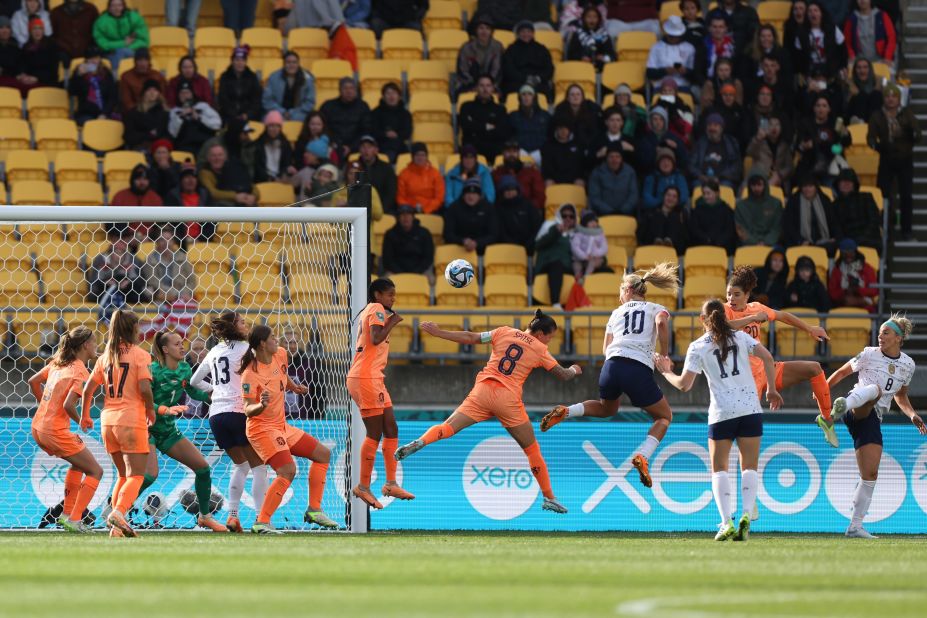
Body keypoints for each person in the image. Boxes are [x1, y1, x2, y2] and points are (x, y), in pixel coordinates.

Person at [395, 310, 581, 515]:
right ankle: (549, 497)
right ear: (540, 334)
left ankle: (422, 441)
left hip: (482, 390)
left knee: (448, 426)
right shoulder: (539, 348)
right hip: (507, 398)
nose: (549, 342)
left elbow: (470, 337)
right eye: (550, 337)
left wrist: (439, 333)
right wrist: (573, 369)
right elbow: (563, 375)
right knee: (532, 450)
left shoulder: (503, 331)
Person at [541, 264, 680, 488]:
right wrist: (663, 355)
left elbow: (606, 349)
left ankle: (567, 411)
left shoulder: (616, 313)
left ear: (628, 291)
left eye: (620, 292)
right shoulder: (656, 308)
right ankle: (643, 456)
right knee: (664, 417)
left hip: (611, 366)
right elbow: (662, 323)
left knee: (607, 408)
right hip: (637, 368)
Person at [658, 299, 782, 541]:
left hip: (722, 413)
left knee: (720, 470)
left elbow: (684, 385)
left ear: (702, 320)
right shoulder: (740, 337)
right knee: (749, 467)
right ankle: (747, 514)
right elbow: (768, 358)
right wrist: (771, 389)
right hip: (750, 409)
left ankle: (727, 522)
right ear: (724, 316)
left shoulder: (698, 346)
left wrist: (665, 371)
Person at [825, 315, 924, 538]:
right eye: (879, 332)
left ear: (898, 338)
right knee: (875, 390)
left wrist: (911, 414)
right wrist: (823, 390)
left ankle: (855, 526)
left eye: (885, 333)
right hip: (856, 408)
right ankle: (840, 407)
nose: (880, 336)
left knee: (870, 474)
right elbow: (842, 372)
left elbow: (901, 396)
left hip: (873, 417)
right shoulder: (869, 353)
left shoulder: (908, 364)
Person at [238, 325, 338, 533]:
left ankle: (314, 510)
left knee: (323, 454)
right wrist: (261, 405)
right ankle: (262, 522)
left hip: (281, 426)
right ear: (263, 344)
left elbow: (282, 376)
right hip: (261, 429)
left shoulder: (281, 355)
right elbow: (247, 409)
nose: (278, 341)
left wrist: (294, 387)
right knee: (287, 470)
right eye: (273, 338)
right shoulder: (250, 374)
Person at [723, 266, 836, 445]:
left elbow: (783, 315)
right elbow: (725, 326)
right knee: (744, 435)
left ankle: (826, 419)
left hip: (767, 372)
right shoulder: (724, 310)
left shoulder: (757, 308)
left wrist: (810, 328)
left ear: (747, 295)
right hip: (743, 382)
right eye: (728, 294)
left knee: (814, 368)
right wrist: (752, 319)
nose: (731, 299)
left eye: (736, 294)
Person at [189, 312, 268, 532]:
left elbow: (195, 381)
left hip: (216, 415)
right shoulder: (246, 349)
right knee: (259, 467)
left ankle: (233, 515)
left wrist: (213, 389)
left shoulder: (214, 350)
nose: (246, 325)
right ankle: (262, 520)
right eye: (242, 322)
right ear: (234, 326)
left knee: (241, 465)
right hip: (239, 411)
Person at [80, 309, 155, 538]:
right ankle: (119, 512)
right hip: (131, 418)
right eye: (138, 326)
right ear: (132, 329)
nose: (140, 330)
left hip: (108, 421)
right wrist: (150, 409)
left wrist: (85, 415)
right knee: (136, 475)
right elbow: (144, 388)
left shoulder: (105, 358)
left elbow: (88, 389)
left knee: (122, 475)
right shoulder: (140, 355)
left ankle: (115, 528)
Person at [141, 331, 226, 532]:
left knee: (203, 469)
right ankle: (118, 509)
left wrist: (214, 396)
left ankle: (205, 517)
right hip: (147, 430)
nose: (182, 347)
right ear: (165, 349)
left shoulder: (185, 369)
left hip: (168, 431)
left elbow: (193, 392)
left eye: (182, 343)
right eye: (177, 344)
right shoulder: (151, 371)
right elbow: (141, 402)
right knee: (149, 476)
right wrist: (161, 410)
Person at [27, 326, 103, 533]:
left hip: (38, 426)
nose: (96, 346)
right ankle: (74, 519)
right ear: (86, 345)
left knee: (78, 465)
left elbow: (33, 381)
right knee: (96, 471)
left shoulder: (58, 363)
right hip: (54, 431)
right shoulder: (79, 370)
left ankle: (67, 514)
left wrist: (43, 404)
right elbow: (68, 405)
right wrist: (81, 420)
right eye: (94, 342)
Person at [346, 279, 414, 509]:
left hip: (373, 377)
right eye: (389, 294)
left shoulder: (373, 310)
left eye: (394, 295)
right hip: (366, 377)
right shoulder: (376, 309)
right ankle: (363, 486)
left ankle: (390, 483)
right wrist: (393, 321)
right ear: (377, 294)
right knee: (374, 433)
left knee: (391, 428)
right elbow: (375, 338)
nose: (393, 299)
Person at [869, 83, 921, 241]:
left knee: (906, 196)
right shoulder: (877, 115)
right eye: (887, 96)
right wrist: (879, 146)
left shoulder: (907, 114)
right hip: (886, 158)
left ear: (899, 99)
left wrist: (908, 133)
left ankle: (906, 230)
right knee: (884, 196)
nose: (891, 99)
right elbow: (870, 138)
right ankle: (886, 229)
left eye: (894, 96)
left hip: (905, 159)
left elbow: (918, 135)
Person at [796, 95, 850, 184]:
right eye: (818, 105)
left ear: (829, 109)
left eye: (824, 106)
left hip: (832, 160)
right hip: (811, 162)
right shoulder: (805, 123)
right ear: (814, 108)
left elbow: (846, 143)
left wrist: (845, 134)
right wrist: (804, 145)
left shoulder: (835, 123)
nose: (821, 109)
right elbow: (800, 145)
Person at [459, 75, 509, 164]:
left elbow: (501, 132)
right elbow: (466, 127)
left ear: (493, 88)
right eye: (481, 85)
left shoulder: (500, 109)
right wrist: (487, 126)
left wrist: (476, 127)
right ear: (476, 88)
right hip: (472, 148)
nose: (485, 89)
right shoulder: (466, 106)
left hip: (493, 149)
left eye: (488, 85)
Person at [534, 203, 577, 308]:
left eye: (571, 216)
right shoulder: (549, 226)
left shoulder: (577, 233)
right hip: (547, 263)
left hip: (567, 266)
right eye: (564, 216)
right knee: (556, 265)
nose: (567, 218)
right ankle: (555, 302)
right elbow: (538, 245)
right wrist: (556, 231)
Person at [87, 228, 146, 305]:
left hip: (128, 294)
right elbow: (93, 285)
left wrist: (129, 283)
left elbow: (141, 282)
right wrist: (105, 283)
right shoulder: (100, 259)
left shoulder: (134, 260)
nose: (119, 256)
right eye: (116, 252)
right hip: (104, 293)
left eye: (122, 253)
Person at [783, 177, 840, 252]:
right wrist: (800, 240)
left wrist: (835, 237)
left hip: (825, 242)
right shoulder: (793, 202)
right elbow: (789, 225)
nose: (807, 189)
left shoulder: (825, 200)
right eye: (805, 186)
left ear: (816, 187)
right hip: (801, 243)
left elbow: (834, 222)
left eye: (810, 186)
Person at [141, 225, 196, 303]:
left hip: (182, 297)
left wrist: (182, 293)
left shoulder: (183, 258)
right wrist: (173, 294)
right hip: (160, 298)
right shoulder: (150, 260)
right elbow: (152, 282)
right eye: (162, 240)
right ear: (157, 242)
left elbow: (192, 282)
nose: (166, 243)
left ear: (173, 241)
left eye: (168, 239)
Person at [382, 204, 435, 283]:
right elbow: (388, 259)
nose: (405, 217)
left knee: (431, 280)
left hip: (421, 270)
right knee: (384, 282)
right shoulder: (390, 234)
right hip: (395, 271)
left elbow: (428, 257)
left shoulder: (424, 233)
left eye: (408, 214)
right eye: (402, 215)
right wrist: (400, 273)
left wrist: (417, 272)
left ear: (413, 217)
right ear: (398, 218)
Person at [443, 179, 498, 255]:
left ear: (480, 196)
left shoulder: (488, 208)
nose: (471, 196)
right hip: (458, 250)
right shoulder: (454, 208)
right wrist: (463, 241)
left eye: (475, 193)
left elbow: (493, 234)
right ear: (463, 195)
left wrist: (477, 243)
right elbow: (448, 234)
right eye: (468, 193)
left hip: (484, 251)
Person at [92, 0, 149, 73]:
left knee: (132, 53)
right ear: (109, 8)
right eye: (113, 6)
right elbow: (101, 43)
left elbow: (143, 40)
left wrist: (128, 47)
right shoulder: (101, 21)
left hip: (133, 50)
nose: (116, 8)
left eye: (119, 5)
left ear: (124, 6)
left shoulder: (134, 17)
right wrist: (123, 43)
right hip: (111, 52)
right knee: (120, 52)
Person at [319, 76, 370, 156]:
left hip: (356, 147)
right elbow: (323, 127)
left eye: (351, 88)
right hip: (332, 145)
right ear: (340, 90)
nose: (349, 91)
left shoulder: (363, 107)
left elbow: (366, 130)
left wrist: (351, 147)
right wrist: (334, 143)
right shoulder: (328, 106)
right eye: (345, 88)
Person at [501, 20, 554, 98]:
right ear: (518, 34)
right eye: (523, 32)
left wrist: (538, 78)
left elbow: (549, 69)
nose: (526, 34)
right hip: (517, 82)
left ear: (533, 33)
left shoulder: (541, 49)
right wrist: (525, 79)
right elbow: (508, 69)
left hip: (538, 82)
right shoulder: (511, 49)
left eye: (529, 31)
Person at [168, 80, 222, 155]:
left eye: (187, 92)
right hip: (184, 146)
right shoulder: (175, 111)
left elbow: (217, 124)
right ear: (178, 96)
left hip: (204, 144)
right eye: (182, 93)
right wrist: (181, 117)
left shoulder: (203, 106)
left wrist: (198, 117)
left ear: (192, 94)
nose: (185, 95)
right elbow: (173, 133)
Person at [832, 168, 882, 249]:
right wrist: (845, 241)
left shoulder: (866, 197)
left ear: (854, 184)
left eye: (849, 181)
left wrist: (861, 238)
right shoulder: (835, 205)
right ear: (838, 184)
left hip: (869, 240)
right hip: (846, 242)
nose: (846, 184)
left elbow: (874, 220)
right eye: (843, 182)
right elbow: (836, 227)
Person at [645, 16, 698, 91]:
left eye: (676, 36)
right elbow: (650, 73)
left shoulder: (689, 48)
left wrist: (684, 71)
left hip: (682, 86)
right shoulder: (656, 47)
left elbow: (695, 75)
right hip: (661, 87)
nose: (673, 38)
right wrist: (665, 71)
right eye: (671, 36)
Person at [690, 113, 742, 188]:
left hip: (723, 180)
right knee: (696, 186)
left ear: (721, 128)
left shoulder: (731, 143)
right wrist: (700, 176)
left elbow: (736, 166)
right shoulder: (700, 143)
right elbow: (691, 165)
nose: (712, 128)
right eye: (709, 125)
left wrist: (721, 177)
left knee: (726, 188)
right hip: (702, 180)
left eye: (715, 125)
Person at [261, 50, 315, 122]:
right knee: (269, 119)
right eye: (288, 62)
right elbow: (267, 100)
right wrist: (282, 112)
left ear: (298, 64)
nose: (291, 65)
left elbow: (310, 102)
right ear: (284, 64)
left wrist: (292, 113)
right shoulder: (273, 77)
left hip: (299, 114)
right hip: (277, 112)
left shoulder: (307, 79)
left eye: (294, 62)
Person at [456, 13, 503, 95]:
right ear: (476, 30)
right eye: (481, 28)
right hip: (470, 85)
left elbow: (498, 70)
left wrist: (487, 86)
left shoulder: (497, 47)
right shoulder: (466, 48)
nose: (484, 31)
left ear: (491, 31)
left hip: (492, 85)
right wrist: (477, 86)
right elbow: (462, 70)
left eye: (487, 28)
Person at [635, 106, 688, 178]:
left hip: (672, 175)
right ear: (650, 121)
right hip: (652, 176)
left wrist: (677, 147)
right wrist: (655, 152)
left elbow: (684, 160)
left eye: (661, 119)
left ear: (665, 121)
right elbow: (642, 163)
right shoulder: (645, 139)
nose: (658, 122)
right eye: (655, 119)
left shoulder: (673, 137)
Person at [587, 143, 639, 216]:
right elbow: (594, 197)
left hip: (625, 215)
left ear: (621, 158)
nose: (614, 160)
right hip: (603, 215)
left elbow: (633, 195)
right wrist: (610, 211)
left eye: (617, 156)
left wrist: (623, 211)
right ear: (606, 158)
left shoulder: (630, 172)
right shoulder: (597, 172)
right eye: (611, 157)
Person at [492, 139, 545, 211]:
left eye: (514, 151)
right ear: (503, 153)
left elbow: (540, 197)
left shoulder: (531, 171)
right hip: (503, 211)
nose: (511, 155)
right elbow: (493, 196)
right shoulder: (496, 173)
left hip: (527, 211)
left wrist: (526, 208)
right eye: (508, 151)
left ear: (519, 153)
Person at [736, 167, 783, 247]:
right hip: (748, 245)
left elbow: (777, 228)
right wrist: (754, 242)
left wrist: (766, 242)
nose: (756, 188)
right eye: (753, 185)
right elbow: (740, 229)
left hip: (772, 244)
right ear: (749, 186)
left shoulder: (776, 204)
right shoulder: (741, 206)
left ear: (765, 185)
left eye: (759, 185)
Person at [165, 164, 214, 241]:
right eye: (186, 177)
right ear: (181, 180)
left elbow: (212, 222)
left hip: (202, 243)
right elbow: (170, 223)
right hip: (178, 243)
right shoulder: (173, 196)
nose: (190, 180)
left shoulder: (205, 195)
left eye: (193, 177)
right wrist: (183, 240)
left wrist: (200, 239)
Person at [495, 175, 542, 255]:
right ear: (502, 192)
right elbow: (500, 231)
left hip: (531, 246)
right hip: (508, 249)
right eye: (506, 189)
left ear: (517, 190)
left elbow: (537, 227)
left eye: (512, 189)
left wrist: (528, 244)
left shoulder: (528, 206)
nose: (509, 192)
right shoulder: (498, 209)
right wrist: (514, 245)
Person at [365, 82, 411, 163]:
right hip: (381, 144)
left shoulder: (405, 114)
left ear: (399, 96)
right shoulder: (375, 113)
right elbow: (372, 131)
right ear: (383, 96)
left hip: (399, 144)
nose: (391, 96)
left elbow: (407, 132)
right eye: (388, 93)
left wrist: (397, 134)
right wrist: (385, 134)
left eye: (394, 93)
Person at [745, 114, 793, 190]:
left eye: (777, 125)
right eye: (771, 124)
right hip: (759, 177)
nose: (774, 128)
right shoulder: (759, 142)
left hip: (778, 180)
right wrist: (758, 139)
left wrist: (779, 175)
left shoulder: (785, 145)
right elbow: (749, 152)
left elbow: (789, 167)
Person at [828, 238, 878, 311]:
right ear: (841, 254)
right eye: (845, 253)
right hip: (843, 304)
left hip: (865, 305)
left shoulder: (866, 268)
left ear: (856, 252)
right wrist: (845, 291)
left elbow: (874, 290)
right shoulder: (837, 270)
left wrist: (858, 290)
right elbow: (832, 293)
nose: (848, 255)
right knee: (847, 300)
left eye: (851, 252)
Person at [689, 178, 737, 254]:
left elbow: (729, 230)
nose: (706, 196)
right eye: (704, 193)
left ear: (717, 193)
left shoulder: (726, 210)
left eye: (708, 193)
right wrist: (706, 240)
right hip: (701, 246)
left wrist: (719, 242)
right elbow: (695, 229)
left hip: (723, 247)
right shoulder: (697, 210)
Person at [551, 84, 603, 153]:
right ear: (567, 98)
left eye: (578, 94)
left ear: (582, 97)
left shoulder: (591, 111)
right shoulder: (560, 112)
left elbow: (594, 133)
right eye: (572, 95)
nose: (575, 97)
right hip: (565, 148)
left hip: (587, 147)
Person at [506, 85, 550, 167]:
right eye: (523, 94)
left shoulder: (545, 116)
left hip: (540, 151)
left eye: (529, 94)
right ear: (519, 98)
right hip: (520, 151)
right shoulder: (513, 116)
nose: (526, 97)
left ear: (534, 97)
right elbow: (508, 135)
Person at [217, 45, 263, 123]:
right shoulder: (225, 77)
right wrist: (233, 114)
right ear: (232, 61)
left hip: (249, 116)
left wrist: (248, 114)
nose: (240, 63)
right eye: (237, 60)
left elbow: (256, 100)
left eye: (242, 60)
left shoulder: (252, 77)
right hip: (229, 116)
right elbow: (223, 99)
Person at [396, 142, 444, 214]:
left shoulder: (435, 174)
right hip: (408, 211)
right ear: (412, 157)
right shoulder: (404, 174)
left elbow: (439, 198)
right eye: (417, 155)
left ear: (426, 156)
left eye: (423, 155)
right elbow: (400, 197)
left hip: (431, 211)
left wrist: (426, 210)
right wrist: (409, 210)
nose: (420, 158)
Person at [638, 186, 688, 254]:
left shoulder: (682, 214)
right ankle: (658, 242)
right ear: (663, 196)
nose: (670, 198)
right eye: (668, 195)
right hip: (652, 247)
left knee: (674, 217)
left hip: (675, 250)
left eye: (674, 196)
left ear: (677, 200)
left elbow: (685, 235)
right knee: (659, 216)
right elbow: (642, 232)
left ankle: (669, 242)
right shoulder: (651, 212)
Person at [844, 0, 896, 65]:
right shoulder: (852, 19)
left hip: (881, 61)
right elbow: (847, 41)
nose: (862, 1)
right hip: (859, 63)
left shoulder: (881, 16)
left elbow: (891, 38)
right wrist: (852, 56)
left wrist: (888, 57)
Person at [566, 4, 615, 71]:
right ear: (584, 18)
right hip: (580, 69)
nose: (592, 20)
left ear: (599, 19)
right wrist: (581, 58)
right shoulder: (577, 34)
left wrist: (603, 58)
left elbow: (612, 56)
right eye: (588, 17)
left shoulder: (604, 35)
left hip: (602, 70)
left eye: (595, 17)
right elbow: (570, 55)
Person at [123, 79, 168, 151]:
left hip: (159, 148)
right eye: (149, 90)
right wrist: (149, 134)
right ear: (144, 93)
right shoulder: (133, 113)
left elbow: (165, 134)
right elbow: (129, 136)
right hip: (139, 147)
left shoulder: (164, 113)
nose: (152, 93)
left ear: (159, 94)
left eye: (155, 90)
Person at [357, 135, 397, 213]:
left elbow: (390, 192)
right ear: (359, 150)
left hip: (383, 210)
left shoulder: (386, 168)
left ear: (376, 150)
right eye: (363, 147)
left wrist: (380, 210)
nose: (366, 150)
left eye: (369, 147)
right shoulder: (353, 167)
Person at [254, 110, 296, 183]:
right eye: (271, 126)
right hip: (263, 180)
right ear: (266, 127)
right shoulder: (259, 143)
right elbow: (257, 166)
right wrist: (269, 178)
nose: (274, 129)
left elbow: (287, 163)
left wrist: (283, 174)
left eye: (277, 126)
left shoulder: (285, 144)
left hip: (280, 179)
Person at [118, 47, 164, 114]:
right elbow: (127, 102)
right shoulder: (126, 77)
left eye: (145, 60)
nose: (143, 63)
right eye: (140, 60)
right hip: (134, 114)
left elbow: (162, 98)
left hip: (155, 113)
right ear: (135, 62)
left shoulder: (157, 76)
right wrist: (140, 113)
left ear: (149, 61)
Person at [540, 120, 586, 187]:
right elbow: (546, 166)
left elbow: (581, 165)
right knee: (548, 183)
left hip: (574, 178)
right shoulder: (548, 146)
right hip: (555, 178)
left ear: (569, 130)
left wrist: (580, 177)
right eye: (560, 128)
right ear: (556, 130)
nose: (563, 131)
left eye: (566, 128)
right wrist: (550, 178)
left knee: (580, 183)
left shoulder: (578, 145)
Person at [19, 16, 59, 87]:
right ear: (30, 31)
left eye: (40, 28)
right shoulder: (26, 46)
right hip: (29, 80)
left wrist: (37, 78)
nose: (37, 31)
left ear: (43, 30)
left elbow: (53, 70)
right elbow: (23, 64)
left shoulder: (51, 44)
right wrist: (23, 74)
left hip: (47, 81)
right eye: (34, 28)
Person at [571, 211, 610, 283]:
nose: (594, 223)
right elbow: (575, 246)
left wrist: (595, 254)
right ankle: (578, 278)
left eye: (595, 221)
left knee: (593, 263)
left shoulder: (599, 234)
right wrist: (583, 256)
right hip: (581, 258)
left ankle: (586, 278)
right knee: (576, 264)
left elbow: (604, 247)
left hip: (594, 257)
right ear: (585, 223)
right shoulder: (579, 233)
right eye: (591, 221)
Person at [844, 57, 883, 125]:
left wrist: (878, 85)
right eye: (859, 68)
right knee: (861, 96)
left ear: (870, 69)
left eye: (865, 67)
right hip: (855, 116)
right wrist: (850, 85)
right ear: (855, 70)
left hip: (873, 117)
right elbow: (845, 105)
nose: (862, 70)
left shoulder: (877, 81)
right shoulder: (849, 83)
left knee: (876, 95)